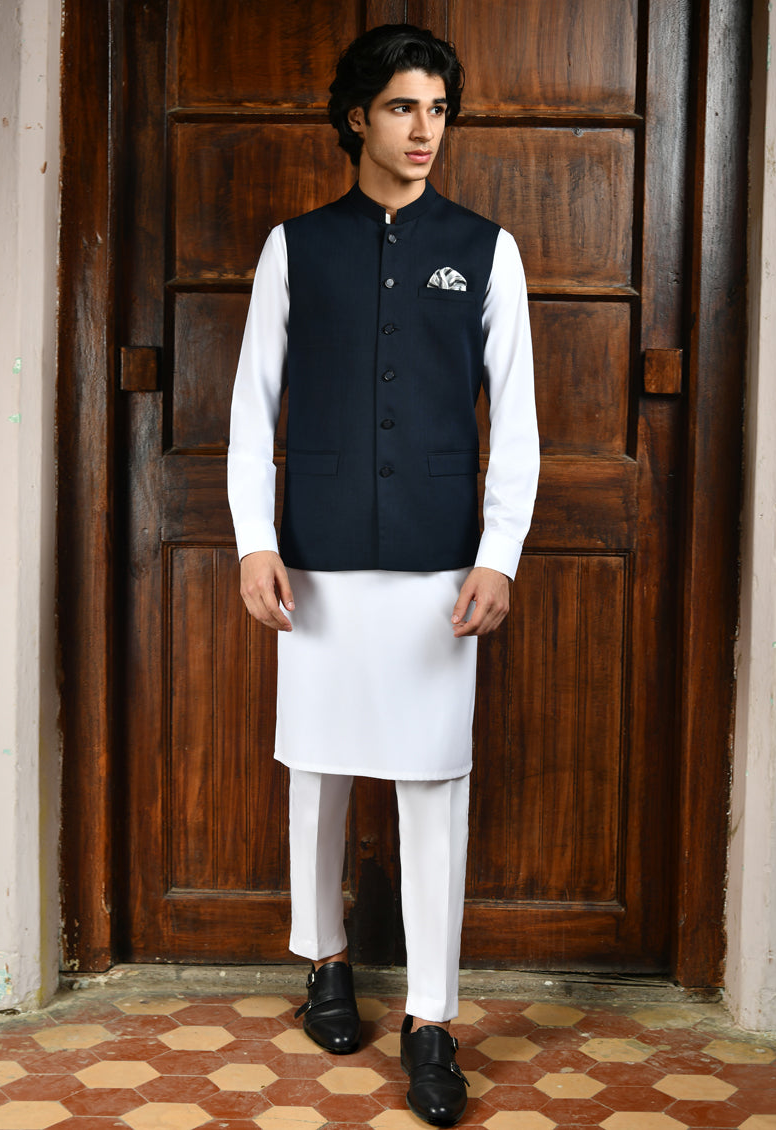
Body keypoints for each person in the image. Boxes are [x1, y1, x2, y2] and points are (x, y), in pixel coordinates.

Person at [227, 24, 539, 1127]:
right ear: (357, 115)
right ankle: (325, 959)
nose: (423, 130)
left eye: (437, 110)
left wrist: (498, 553)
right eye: (403, 107)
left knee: (433, 785)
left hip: (436, 564)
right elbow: (251, 406)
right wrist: (254, 539)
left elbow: (520, 423)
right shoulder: (295, 247)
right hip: (314, 558)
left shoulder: (486, 249)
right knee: (315, 771)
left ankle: (433, 1019)